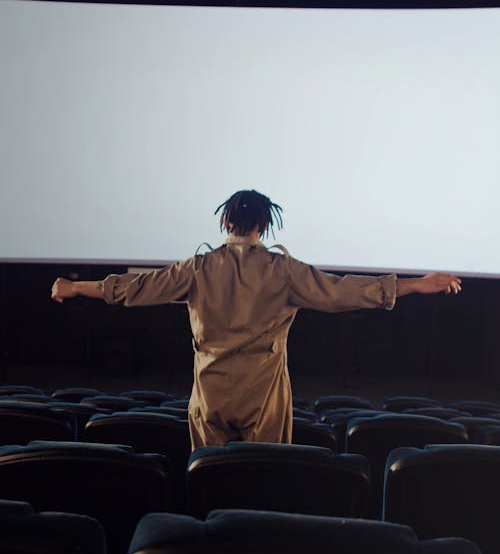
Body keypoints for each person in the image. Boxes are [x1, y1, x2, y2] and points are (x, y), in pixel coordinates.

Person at [51, 189, 462, 449]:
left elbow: (133, 288)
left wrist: (75, 288)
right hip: (264, 400)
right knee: (260, 485)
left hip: (209, 398)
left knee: (210, 485)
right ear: (265, 225)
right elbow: (345, 291)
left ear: (226, 222)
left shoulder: (197, 268)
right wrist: (417, 284)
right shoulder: (284, 271)